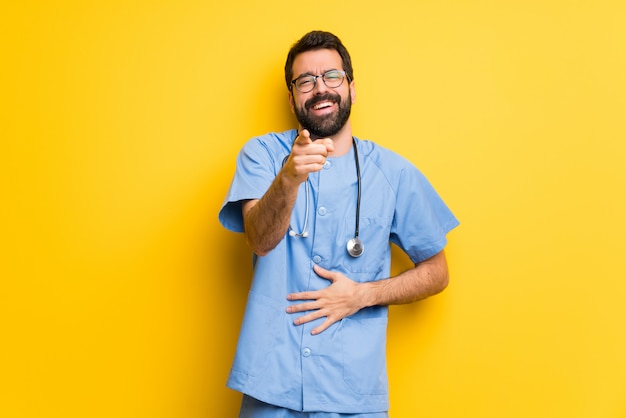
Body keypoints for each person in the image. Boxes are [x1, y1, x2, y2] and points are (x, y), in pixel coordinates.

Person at [219, 30, 459, 418]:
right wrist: (289, 179)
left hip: (352, 396)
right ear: (292, 95)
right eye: (306, 81)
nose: (320, 89)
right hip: (271, 387)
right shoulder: (262, 155)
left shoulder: (394, 173)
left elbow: (437, 272)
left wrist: (363, 295)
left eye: (331, 76)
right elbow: (260, 241)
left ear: (350, 86)